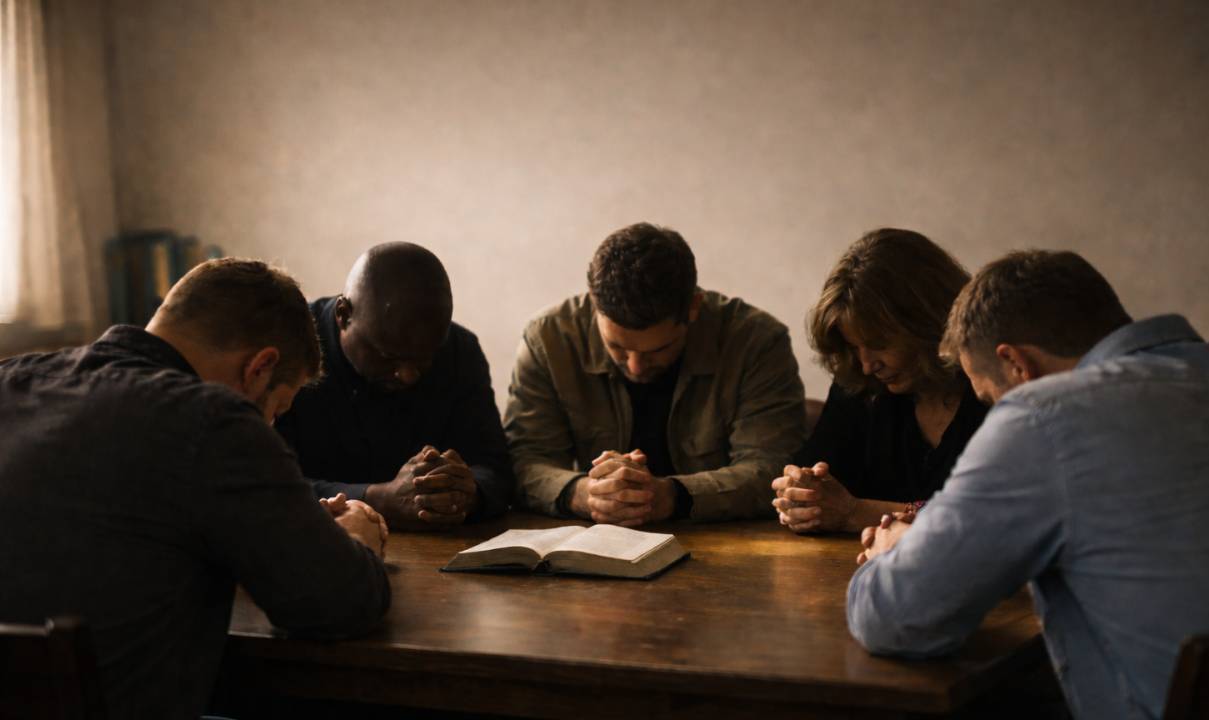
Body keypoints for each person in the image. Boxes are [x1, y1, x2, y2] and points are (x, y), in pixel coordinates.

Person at [848, 250, 1209, 720]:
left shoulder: (1045, 416)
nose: (995, 414)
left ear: (1016, 365)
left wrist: (896, 552)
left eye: (989, 400)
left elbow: (896, 618)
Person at [0, 259, 391, 719]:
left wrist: (290, 532)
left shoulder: (11, 380)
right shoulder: (213, 420)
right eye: (277, 410)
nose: (271, 426)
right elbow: (338, 604)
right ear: (259, 369)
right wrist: (355, 540)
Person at [505, 222, 805, 525]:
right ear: (595, 307)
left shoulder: (757, 342)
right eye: (617, 347)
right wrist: (586, 494)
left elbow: (770, 468)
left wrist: (672, 496)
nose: (635, 366)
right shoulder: (548, 340)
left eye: (657, 350)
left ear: (693, 308)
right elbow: (525, 461)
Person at [275, 242, 513, 530]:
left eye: (425, 360)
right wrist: (377, 499)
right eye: (388, 357)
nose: (408, 375)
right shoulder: (289, 346)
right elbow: (268, 485)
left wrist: (466, 491)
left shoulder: (460, 351)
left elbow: (497, 469)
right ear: (343, 315)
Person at [772, 229, 988, 533]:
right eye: (852, 347)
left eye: (879, 343)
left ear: (930, 324)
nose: (866, 364)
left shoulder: (996, 385)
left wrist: (856, 513)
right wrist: (801, 497)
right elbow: (820, 480)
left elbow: (994, 518)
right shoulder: (858, 383)